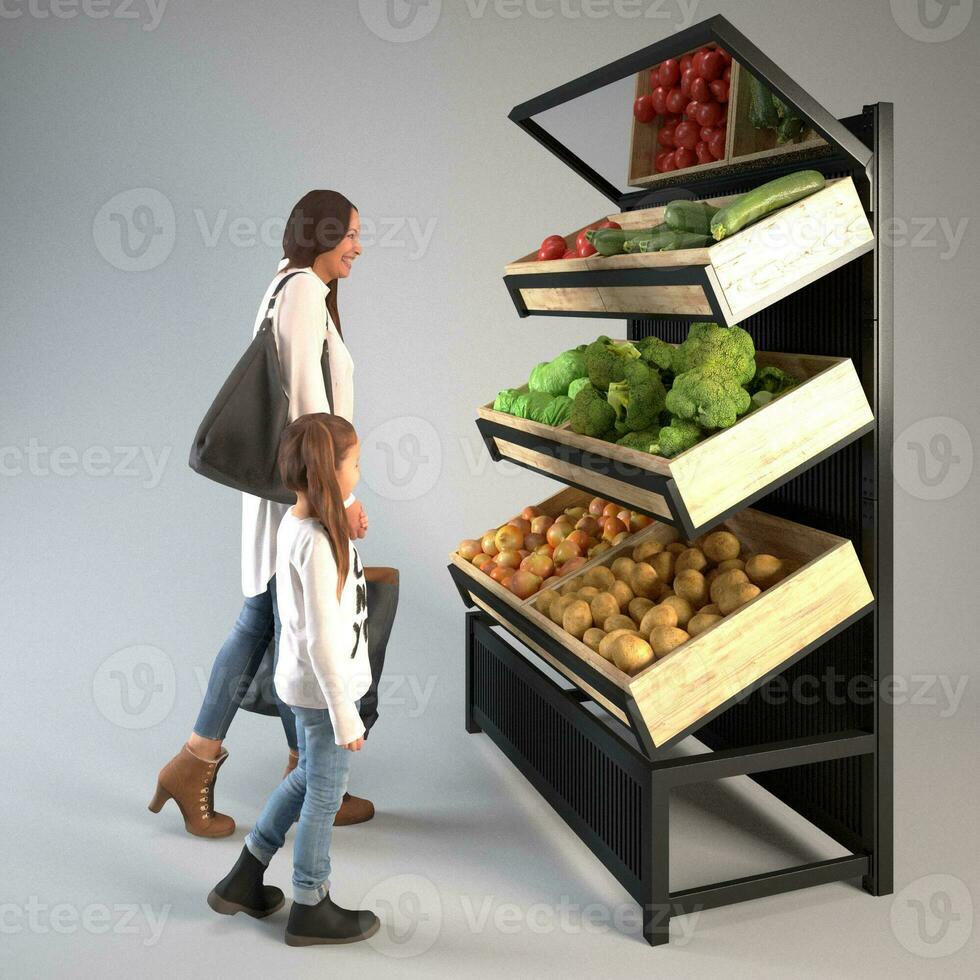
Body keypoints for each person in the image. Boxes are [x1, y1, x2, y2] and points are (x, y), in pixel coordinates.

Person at [149, 191, 375, 836]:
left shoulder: (288, 284)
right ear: (323, 233)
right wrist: (345, 502)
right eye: (352, 234)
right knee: (282, 626)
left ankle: (267, 768)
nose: (359, 247)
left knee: (272, 624)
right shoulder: (303, 289)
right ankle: (238, 764)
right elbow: (307, 410)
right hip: (301, 497)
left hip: (289, 494)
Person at [207, 413, 379, 946]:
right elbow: (322, 642)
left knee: (307, 777)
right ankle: (311, 904)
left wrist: (345, 510)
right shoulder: (318, 546)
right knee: (325, 797)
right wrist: (345, 713)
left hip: (304, 688)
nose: (359, 471)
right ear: (332, 471)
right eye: (355, 464)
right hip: (324, 695)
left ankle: (245, 875)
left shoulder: (298, 524)